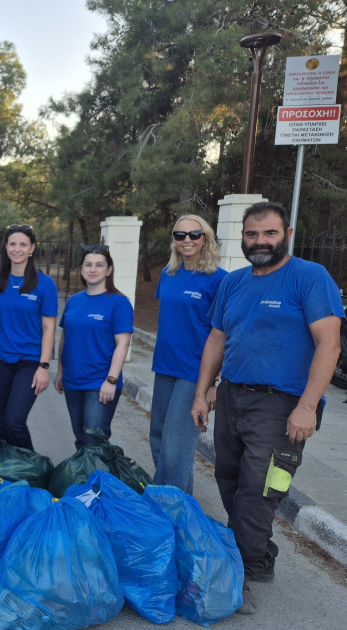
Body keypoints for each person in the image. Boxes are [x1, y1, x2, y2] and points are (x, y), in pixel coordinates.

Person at [190, 201, 343, 614]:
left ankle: (240, 576)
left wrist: (307, 407)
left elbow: (329, 344)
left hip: (284, 407)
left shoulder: (310, 277)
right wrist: (204, 392)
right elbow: (216, 341)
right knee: (228, 479)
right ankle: (257, 552)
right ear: (242, 237)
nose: (260, 242)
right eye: (252, 235)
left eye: (269, 234)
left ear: (287, 235)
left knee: (259, 491)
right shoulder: (233, 282)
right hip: (235, 397)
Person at [150, 215, 227, 494]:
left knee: (176, 447)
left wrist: (215, 383)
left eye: (194, 234)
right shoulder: (168, 274)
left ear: (205, 238)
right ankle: (178, 502)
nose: (187, 240)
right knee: (158, 438)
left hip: (195, 372)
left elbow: (225, 335)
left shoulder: (220, 280)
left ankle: (170, 509)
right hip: (165, 366)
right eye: (180, 235)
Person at [54, 246, 133, 451]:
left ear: (109, 270)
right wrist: (60, 372)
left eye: (99, 265)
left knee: (94, 439)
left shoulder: (119, 302)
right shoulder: (73, 301)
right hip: (73, 380)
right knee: (81, 438)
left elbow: (123, 344)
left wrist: (111, 380)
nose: (93, 269)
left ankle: (99, 482)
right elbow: (65, 338)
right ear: (81, 269)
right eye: (88, 265)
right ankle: (86, 481)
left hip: (100, 382)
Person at [0, 225, 58, 449]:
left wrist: (44, 366)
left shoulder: (45, 283)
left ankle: (32, 468)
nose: (17, 249)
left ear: (32, 248)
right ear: (5, 247)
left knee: (15, 421)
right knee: (3, 421)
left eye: (23, 244)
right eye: (12, 244)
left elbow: (49, 328)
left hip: (29, 362)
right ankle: (9, 471)